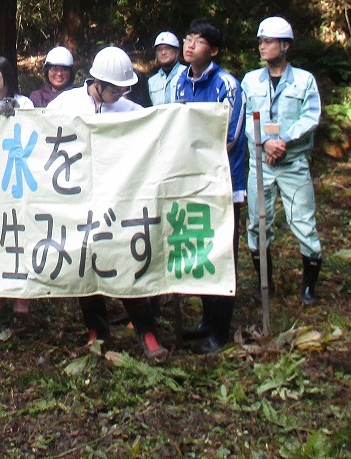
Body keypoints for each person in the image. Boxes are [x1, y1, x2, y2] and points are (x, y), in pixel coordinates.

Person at [48, 47, 167, 361]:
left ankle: (146, 330)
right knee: (84, 264)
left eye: (123, 88)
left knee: (126, 261)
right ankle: (97, 331)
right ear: (96, 82)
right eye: (114, 88)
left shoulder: (131, 110)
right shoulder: (66, 103)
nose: (119, 93)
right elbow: (42, 132)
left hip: (119, 200)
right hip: (75, 200)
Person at [171, 19, 246, 353]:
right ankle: (205, 320)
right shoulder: (179, 83)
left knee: (223, 251)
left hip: (225, 180)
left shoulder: (228, 85)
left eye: (198, 41)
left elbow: (230, 135)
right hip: (193, 180)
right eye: (188, 38)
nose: (189, 45)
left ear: (213, 50)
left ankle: (221, 330)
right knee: (200, 248)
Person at [242, 17, 323, 307]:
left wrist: (283, 141)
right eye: (260, 41)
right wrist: (265, 142)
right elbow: (245, 117)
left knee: (303, 222)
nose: (262, 46)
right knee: (257, 224)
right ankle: (265, 282)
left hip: (293, 162)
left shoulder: (304, 80)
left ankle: (309, 288)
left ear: (285, 46)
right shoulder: (250, 81)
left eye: (268, 41)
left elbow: (310, 116)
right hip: (260, 163)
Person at [147, 31, 182, 106]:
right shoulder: (152, 81)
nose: (163, 52)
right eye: (159, 49)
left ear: (177, 52)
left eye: (167, 48)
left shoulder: (187, 73)